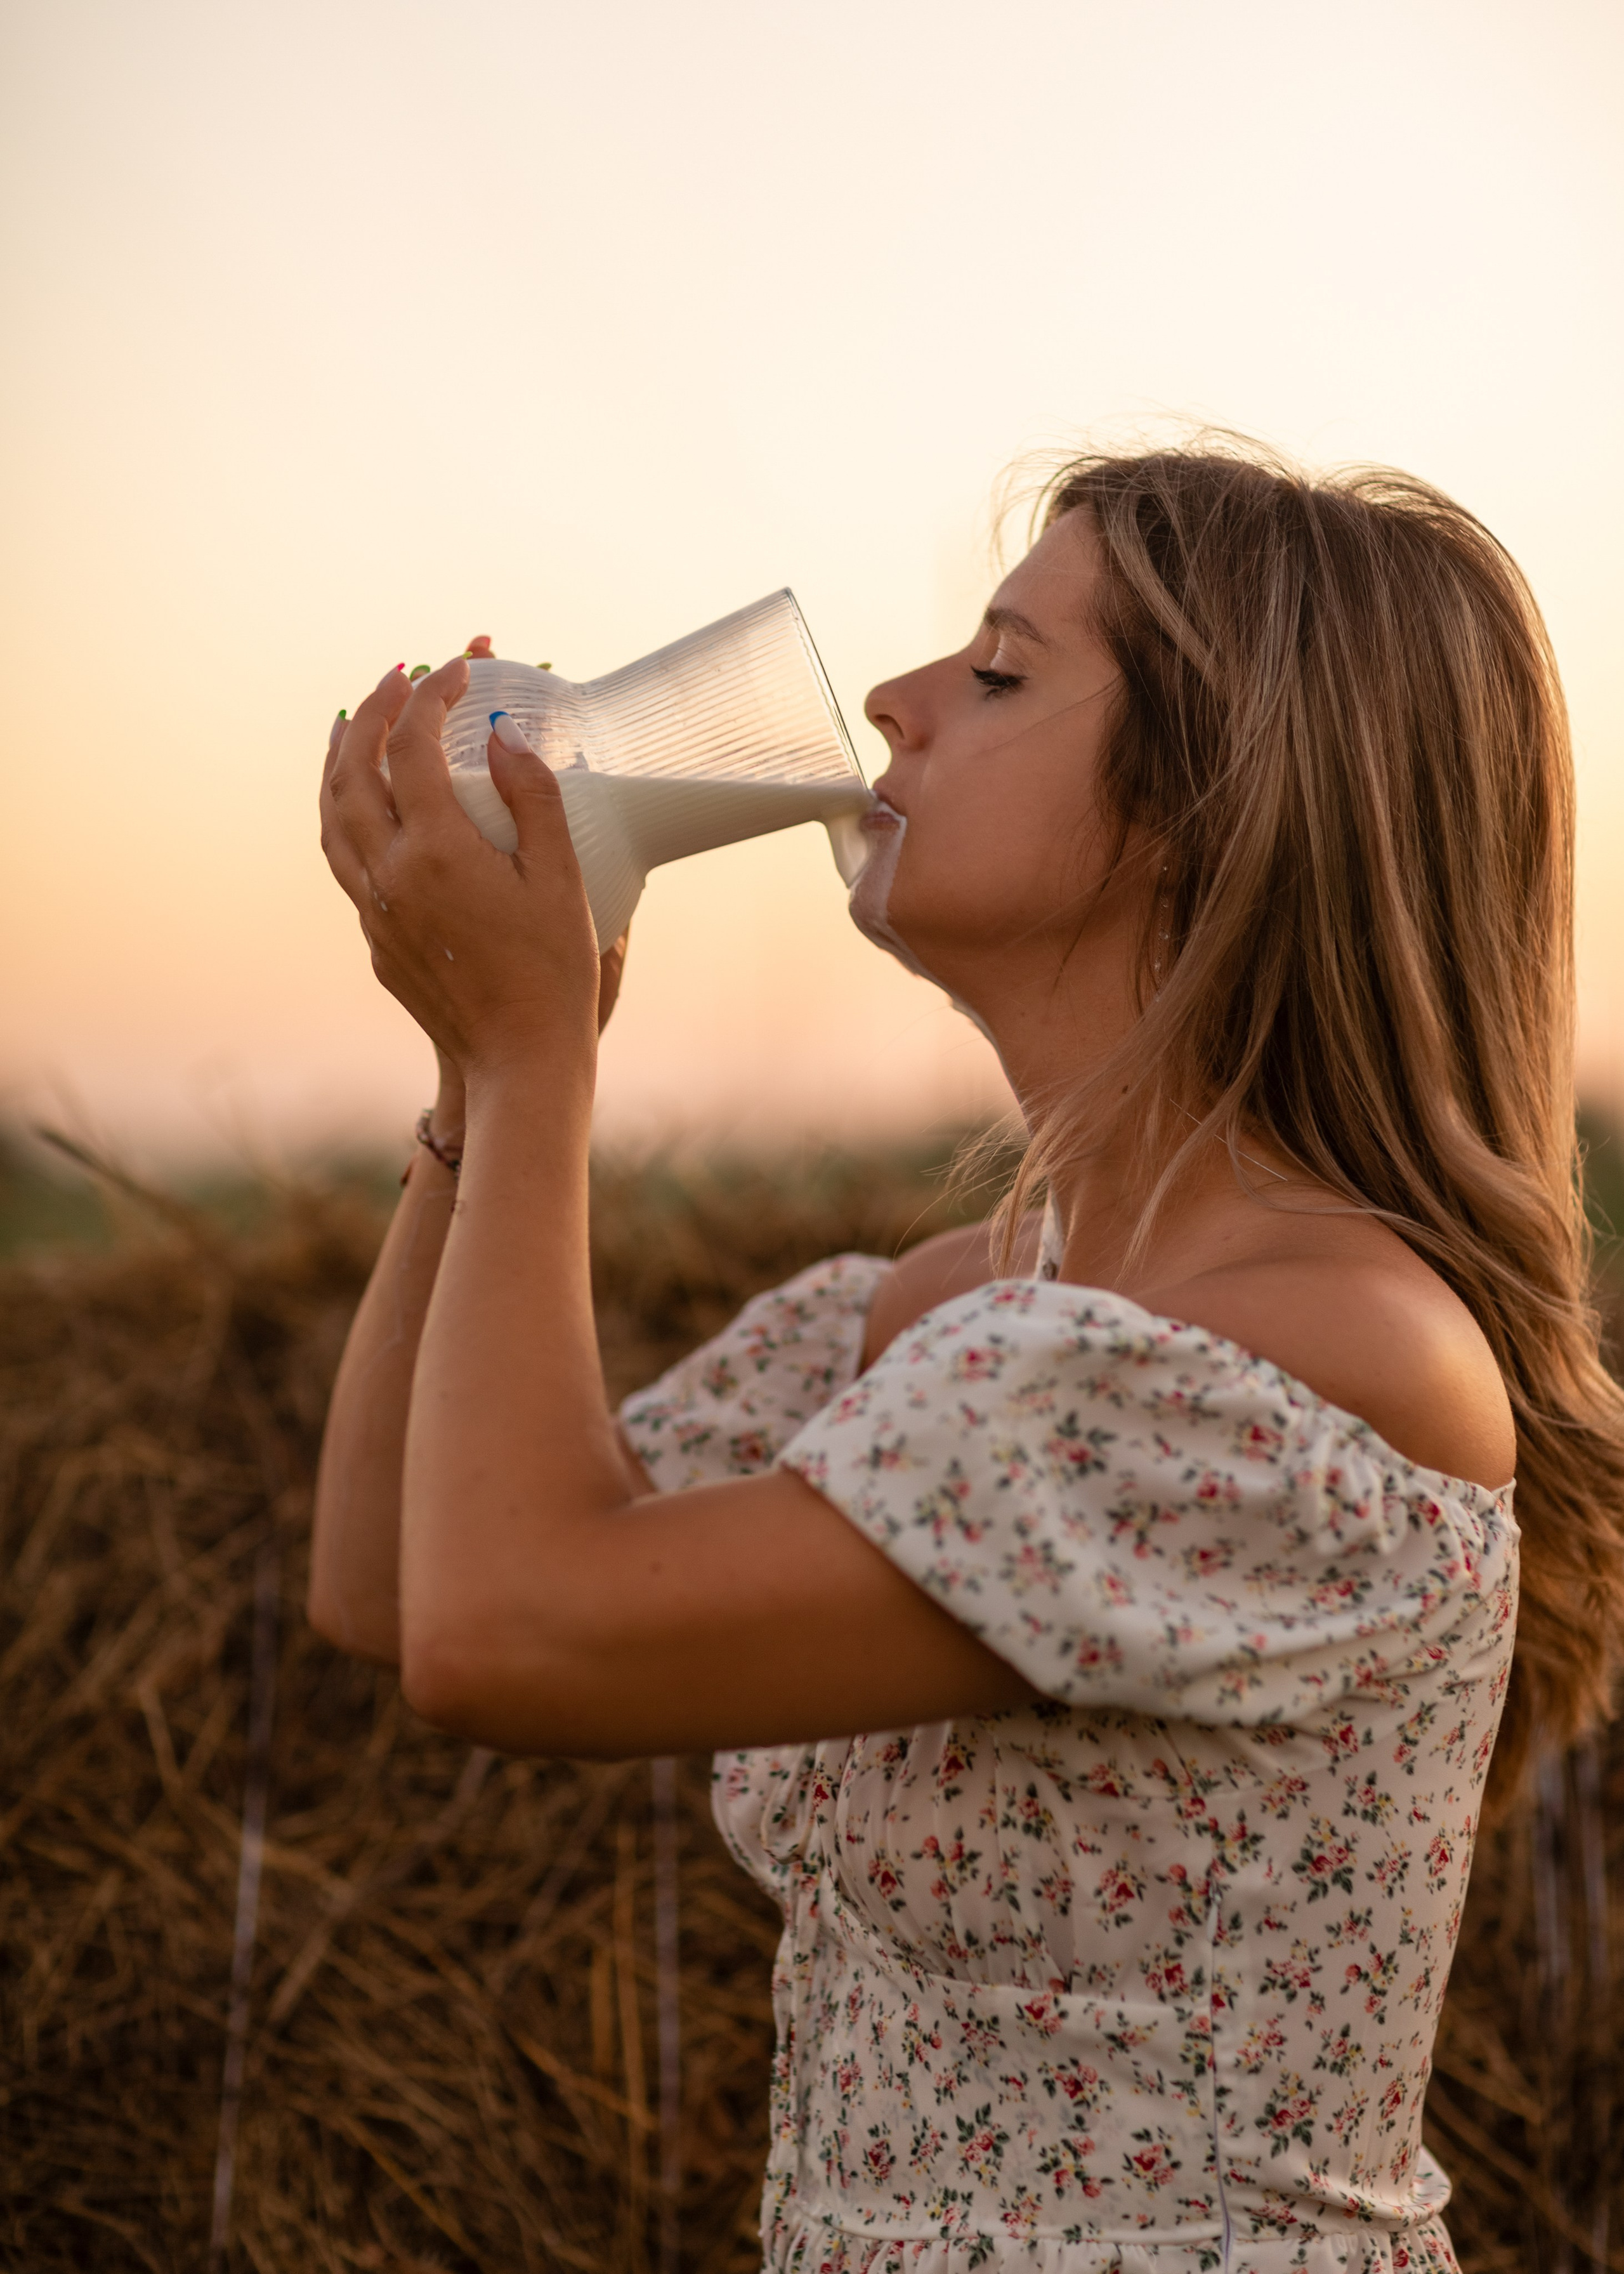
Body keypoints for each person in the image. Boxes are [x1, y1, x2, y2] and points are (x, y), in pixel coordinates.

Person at [311, 440, 1624, 2271]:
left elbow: (507, 1629)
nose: (899, 702)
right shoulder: (957, 1310)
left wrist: (544, 1068)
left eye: (1001, 672)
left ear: (1216, 808)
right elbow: (392, 1573)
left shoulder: (1323, 1352)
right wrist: (472, 1073)